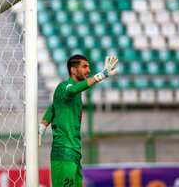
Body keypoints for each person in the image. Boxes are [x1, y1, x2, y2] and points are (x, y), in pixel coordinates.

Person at [38, 54, 119, 187]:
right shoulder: (65, 86)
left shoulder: (75, 94)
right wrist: (100, 76)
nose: (88, 70)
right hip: (64, 151)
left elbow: (54, 107)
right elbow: (73, 89)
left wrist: (42, 127)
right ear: (73, 70)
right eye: (84, 66)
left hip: (74, 152)